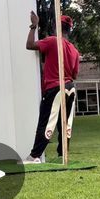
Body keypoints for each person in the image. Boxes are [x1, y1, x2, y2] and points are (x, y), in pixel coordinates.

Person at [23, 11, 80, 164]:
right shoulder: (74, 50)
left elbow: (29, 45)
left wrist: (34, 26)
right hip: (70, 87)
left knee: (46, 121)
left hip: (55, 87)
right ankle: (63, 155)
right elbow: (74, 74)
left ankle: (34, 156)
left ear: (57, 28)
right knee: (65, 123)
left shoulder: (53, 41)